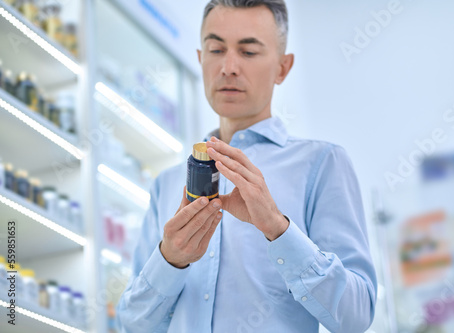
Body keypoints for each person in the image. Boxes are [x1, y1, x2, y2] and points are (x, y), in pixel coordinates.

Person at [116, 0, 377, 332]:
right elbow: (132, 325)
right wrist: (171, 260)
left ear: (283, 67)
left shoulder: (322, 164)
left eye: (249, 52)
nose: (228, 67)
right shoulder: (167, 184)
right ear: (200, 59)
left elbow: (356, 317)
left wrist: (277, 228)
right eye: (215, 49)